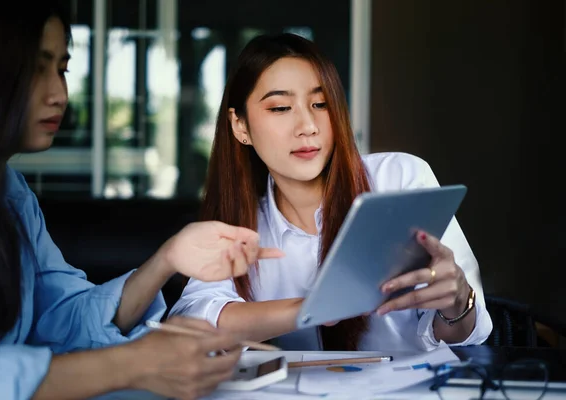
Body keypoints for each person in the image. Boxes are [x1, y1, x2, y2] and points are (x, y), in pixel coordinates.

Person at [0, 4, 283, 400]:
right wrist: (136, 362)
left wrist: (167, 259)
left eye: (62, 70)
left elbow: (64, 320)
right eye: (36, 68)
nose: (59, 94)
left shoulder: (9, 192)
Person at [169, 33, 493, 352]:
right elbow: (188, 322)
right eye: (281, 108)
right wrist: (314, 308)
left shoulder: (398, 177)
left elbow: (468, 333)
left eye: (320, 104)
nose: (308, 125)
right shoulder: (241, 224)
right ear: (240, 126)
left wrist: (458, 302)